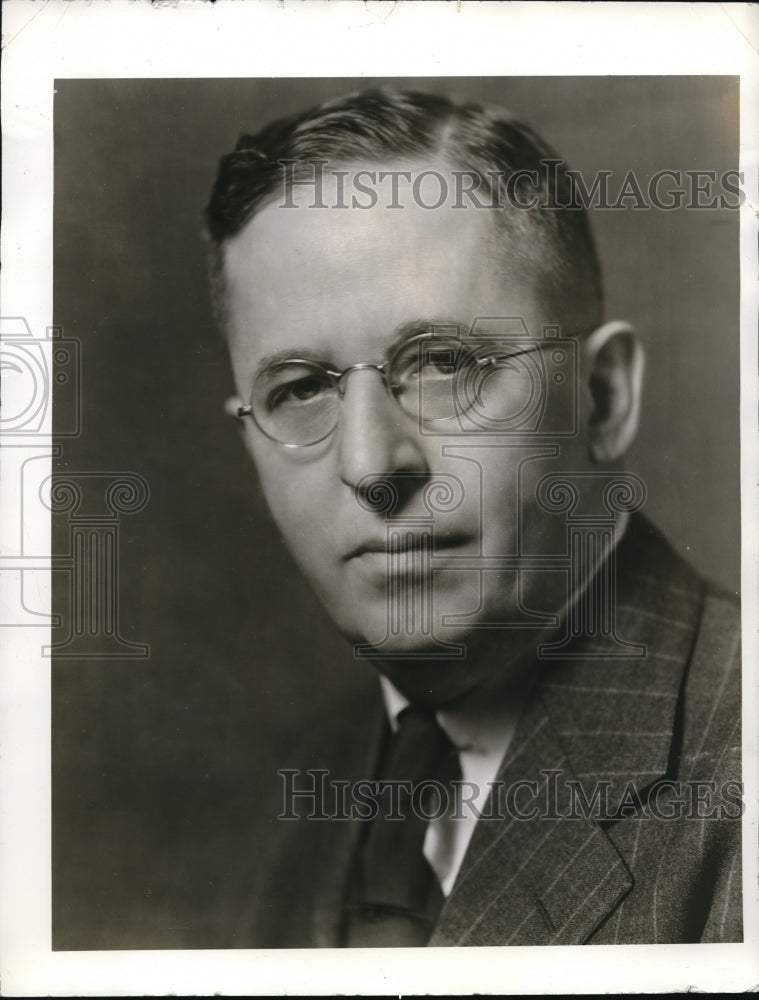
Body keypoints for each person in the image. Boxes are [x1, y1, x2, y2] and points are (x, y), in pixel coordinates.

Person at [194, 88, 742, 948]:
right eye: (300, 389)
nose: (372, 466)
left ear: (601, 399)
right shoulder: (286, 795)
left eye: (444, 364)